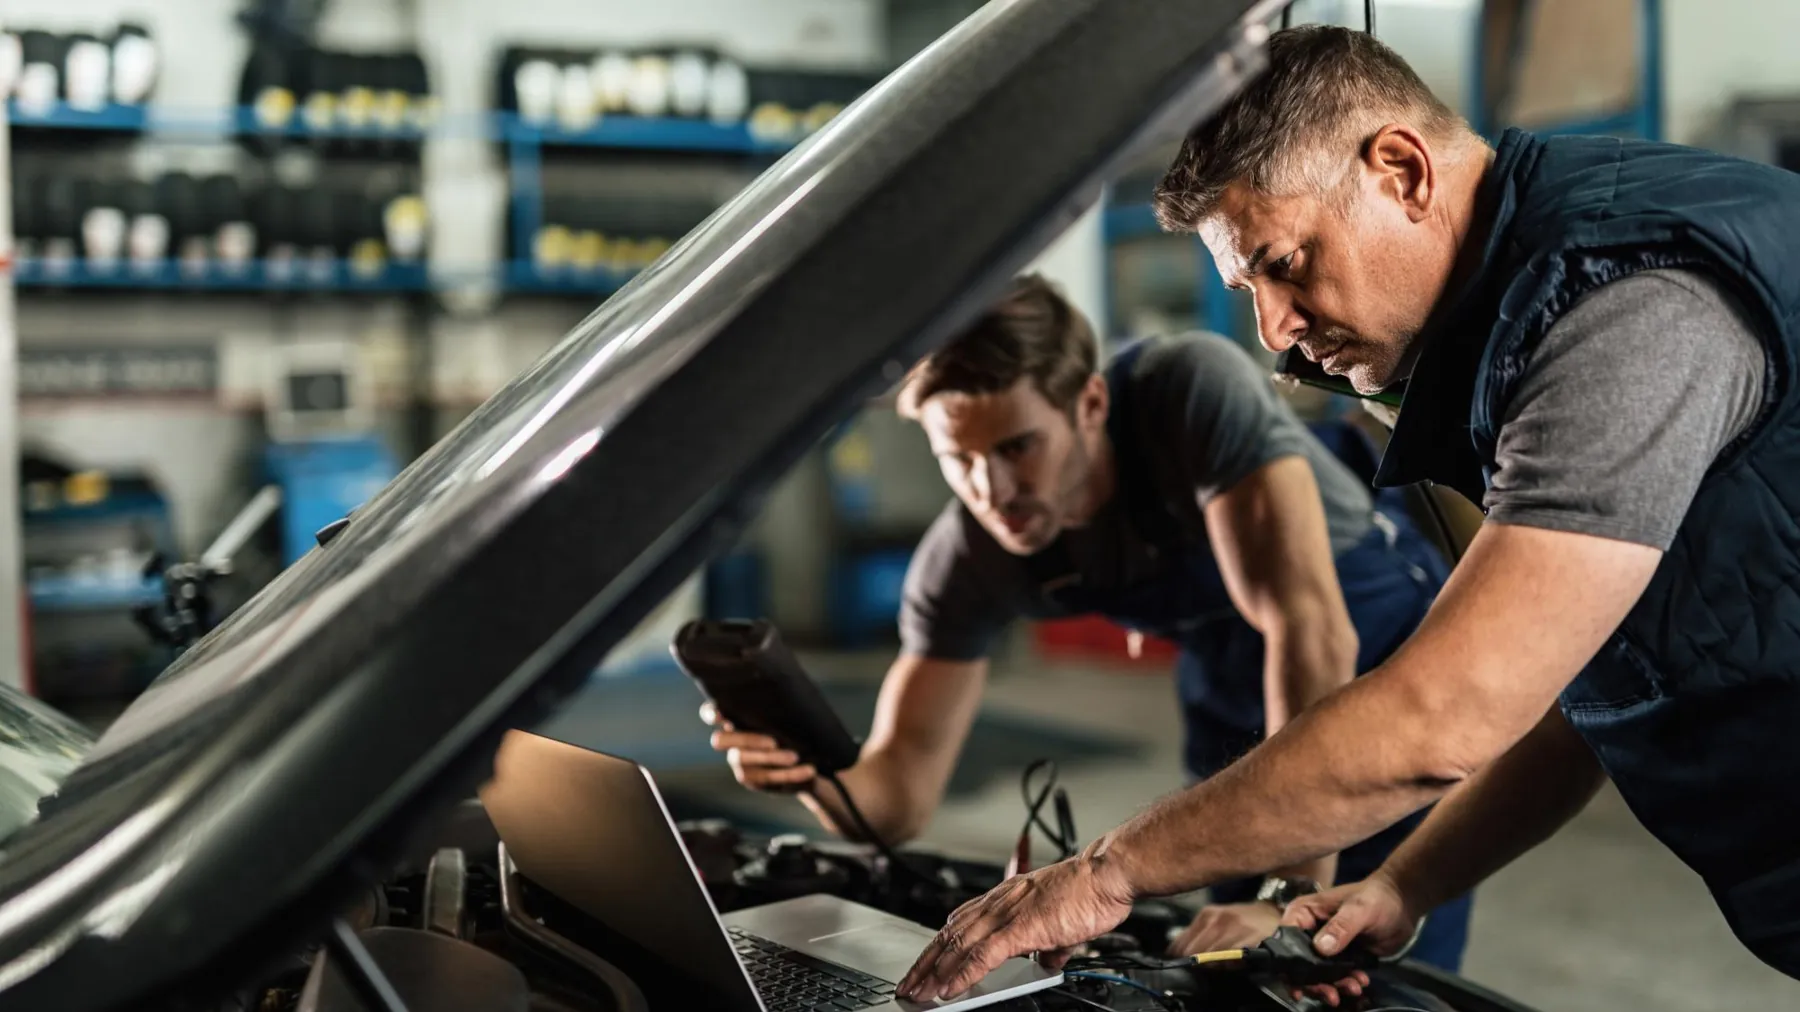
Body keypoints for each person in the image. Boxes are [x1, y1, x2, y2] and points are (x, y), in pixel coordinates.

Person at [895, 22, 1800, 1005]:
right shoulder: (1519, 321)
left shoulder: (1624, 315)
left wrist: (1106, 873)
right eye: (1247, 287)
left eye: (1284, 264)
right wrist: (1406, 882)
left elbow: (1444, 715)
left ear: (1401, 170)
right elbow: (1584, 692)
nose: (1273, 331)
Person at [703, 273, 1471, 967]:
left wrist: (1282, 900)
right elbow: (896, 801)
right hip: (1231, 689)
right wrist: (808, 768)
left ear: (1091, 405)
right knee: (1222, 964)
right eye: (959, 458)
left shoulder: (1188, 392)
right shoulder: (967, 558)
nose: (991, 488)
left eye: (1018, 447)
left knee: (1358, 955)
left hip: (1370, 657)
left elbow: (1309, 628)